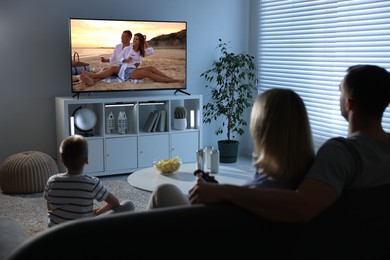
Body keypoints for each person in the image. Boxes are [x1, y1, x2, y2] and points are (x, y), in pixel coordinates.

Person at [186, 64, 390, 223]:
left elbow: (302, 206)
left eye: (340, 91)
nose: (339, 96)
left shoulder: (341, 153)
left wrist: (224, 191)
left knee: (163, 194)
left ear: (349, 103)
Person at [148, 88, 315, 208]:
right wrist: (215, 190)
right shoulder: (304, 175)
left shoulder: (271, 191)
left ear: (261, 128)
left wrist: (219, 193)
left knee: (163, 191)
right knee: (171, 193)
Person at [43, 134, 135, 227]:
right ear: (86, 160)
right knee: (128, 205)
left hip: (55, 234)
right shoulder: (92, 183)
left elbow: (50, 207)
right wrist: (98, 212)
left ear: (62, 160)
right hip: (85, 232)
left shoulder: (52, 181)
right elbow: (115, 203)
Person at [81, 33, 184, 86]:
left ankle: (171, 80)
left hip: (132, 70)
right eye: (134, 38)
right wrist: (125, 60)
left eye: (137, 39)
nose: (134, 40)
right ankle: (92, 76)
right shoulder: (127, 48)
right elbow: (120, 58)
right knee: (112, 69)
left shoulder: (141, 51)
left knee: (151, 68)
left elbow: (151, 50)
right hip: (124, 69)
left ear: (140, 42)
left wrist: (145, 41)